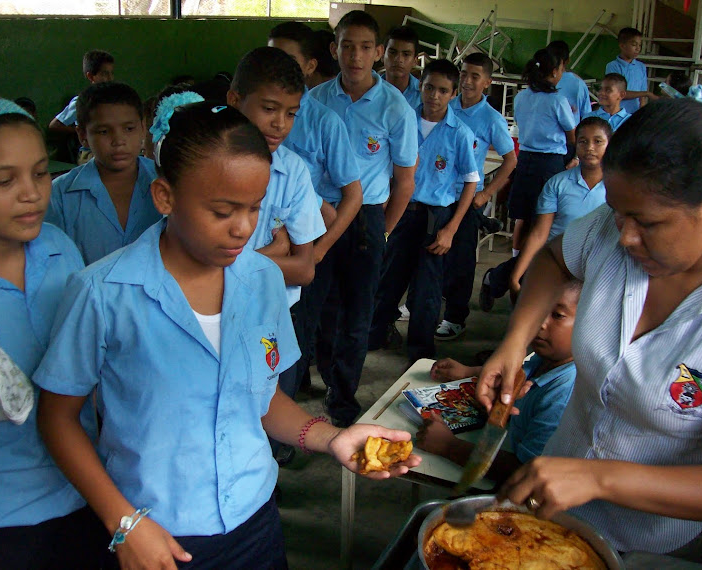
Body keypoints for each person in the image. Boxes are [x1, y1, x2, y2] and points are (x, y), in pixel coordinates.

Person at [34, 101, 421, 570]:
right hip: (154, 533)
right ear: (165, 196)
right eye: (222, 210)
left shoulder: (260, 279)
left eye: (255, 207)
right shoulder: (103, 293)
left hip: (254, 522)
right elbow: (57, 420)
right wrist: (125, 523)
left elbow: (259, 399)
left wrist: (330, 438)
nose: (244, 227)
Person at [476, 98, 702, 563]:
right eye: (617, 213)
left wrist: (599, 478)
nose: (627, 237)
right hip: (547, 511)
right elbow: (555, 257)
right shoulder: (613, 230)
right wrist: (514, 343)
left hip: (647, 543)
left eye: (648, 223)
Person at [0, 97, 102, 569]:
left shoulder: (59, 249)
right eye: (4, 181)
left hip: (84, 496)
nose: (30, 193)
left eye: (41, 173)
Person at [310, 10, 418, 427]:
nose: (355, 55)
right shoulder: (316, 100)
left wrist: (384, 230)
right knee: (315, 305)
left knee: (357, 311)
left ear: (377, 53)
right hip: (317, 214)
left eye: (364, 47)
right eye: (346, 45)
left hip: (367, 218)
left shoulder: (395, 108)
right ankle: (309, 373)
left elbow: (404, 181)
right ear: (334, 49)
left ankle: (342, 394)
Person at [267, 22, 364, 397]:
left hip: (312, 238)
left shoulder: (324, 121)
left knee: (310, 322)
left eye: (287, 60)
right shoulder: (241, 134)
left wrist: (320, 250)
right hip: (276, 244)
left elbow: (348, 197)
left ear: (308, 65)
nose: (279, 123)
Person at [227, 47, 326, 403]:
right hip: (215, 315)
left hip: (273, 317)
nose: (280, 123)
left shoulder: (294, 171)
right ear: (235, 100)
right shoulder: (205, 163)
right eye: (269, 109)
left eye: (291, 113)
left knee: (272, 408)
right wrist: (273, 253)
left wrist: (237, 263)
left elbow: (303, 269)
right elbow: (191, 267)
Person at [418, 279, 581, 485]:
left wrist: (448, 446)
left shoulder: (563, 396)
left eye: (557, 315)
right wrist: (472, 372)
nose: (541, 323)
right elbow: (518, 375)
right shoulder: (545, 359)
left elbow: (525, 473)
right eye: (539, 310)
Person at [369, 59, 478, 364]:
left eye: (443, 90)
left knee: (428, 289)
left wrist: (451, 229)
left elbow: (471, 182)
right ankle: (375, 334)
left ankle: (419, 351)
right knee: (388, 277)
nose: (434, 96)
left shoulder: (459, 132)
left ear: (453, 94)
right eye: (429, 87)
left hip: (436, 216)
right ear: (421, 86)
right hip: (402, 210)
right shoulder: (404, 120)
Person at [479, 48, 575, 311]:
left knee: (524, 220)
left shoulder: (521, 97)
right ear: (555, 72)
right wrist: (570, 160)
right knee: (546, 230)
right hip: (550, 165)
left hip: (526, 160)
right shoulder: (558, 100)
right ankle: (506, 278)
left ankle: (509, 276)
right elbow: (571, 136)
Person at [436, 52, 517, 340]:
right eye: (464, 74)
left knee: (460, 260)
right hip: (437, 193)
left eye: (475, 76)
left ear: (487, 82)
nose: (467, 81)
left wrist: (485, 194)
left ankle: (456, 317)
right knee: (433, 253)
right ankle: (430, 304)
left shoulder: (491, 119)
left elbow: (510, 160)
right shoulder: (446, 104)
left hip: (467, 198)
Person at [45, 81, 160, 265]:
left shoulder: (167, 182)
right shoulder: (59, 196)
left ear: (143, 127)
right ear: (83, 135)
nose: (119, 141)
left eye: (129, 129)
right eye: (104, 131)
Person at [509, 117, 611, 293]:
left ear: (611, 144)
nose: (590, 148)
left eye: (598, 141)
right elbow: (540, 233)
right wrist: (516, 276)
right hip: (556, 265)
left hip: (597, 270)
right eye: (583, 141)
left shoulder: (618, 186)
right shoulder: (558, 183)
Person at [49, 50, 115, 165]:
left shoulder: (113, 100)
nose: (110, 78)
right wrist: (83, 132)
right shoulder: (82, 101)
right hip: (89, 154)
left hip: (109, 150)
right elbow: (54, 125)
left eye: (111, 73)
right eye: (104, 73)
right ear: (90, 76)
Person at [605, 27, 657, 114]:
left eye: (639, 45)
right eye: (634, 45)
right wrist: (646, 93)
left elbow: (642, 95)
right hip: (617, 113)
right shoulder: (613, 66)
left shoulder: (641, 67)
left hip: (635, 113)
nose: (638, 48)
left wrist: (642, 111)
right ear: (622, 46)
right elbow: (618, 93)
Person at [547, 40, 592, 124]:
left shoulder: (539, 81)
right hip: (572, 133)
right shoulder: (579, 83)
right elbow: (586, 117)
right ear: (567, 61)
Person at [381, 25, 421, 109]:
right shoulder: (370, 89)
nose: (398, 59)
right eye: (392, 52)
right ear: (382, 55)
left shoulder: (424, 94)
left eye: (406, 54)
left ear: (415, 61)